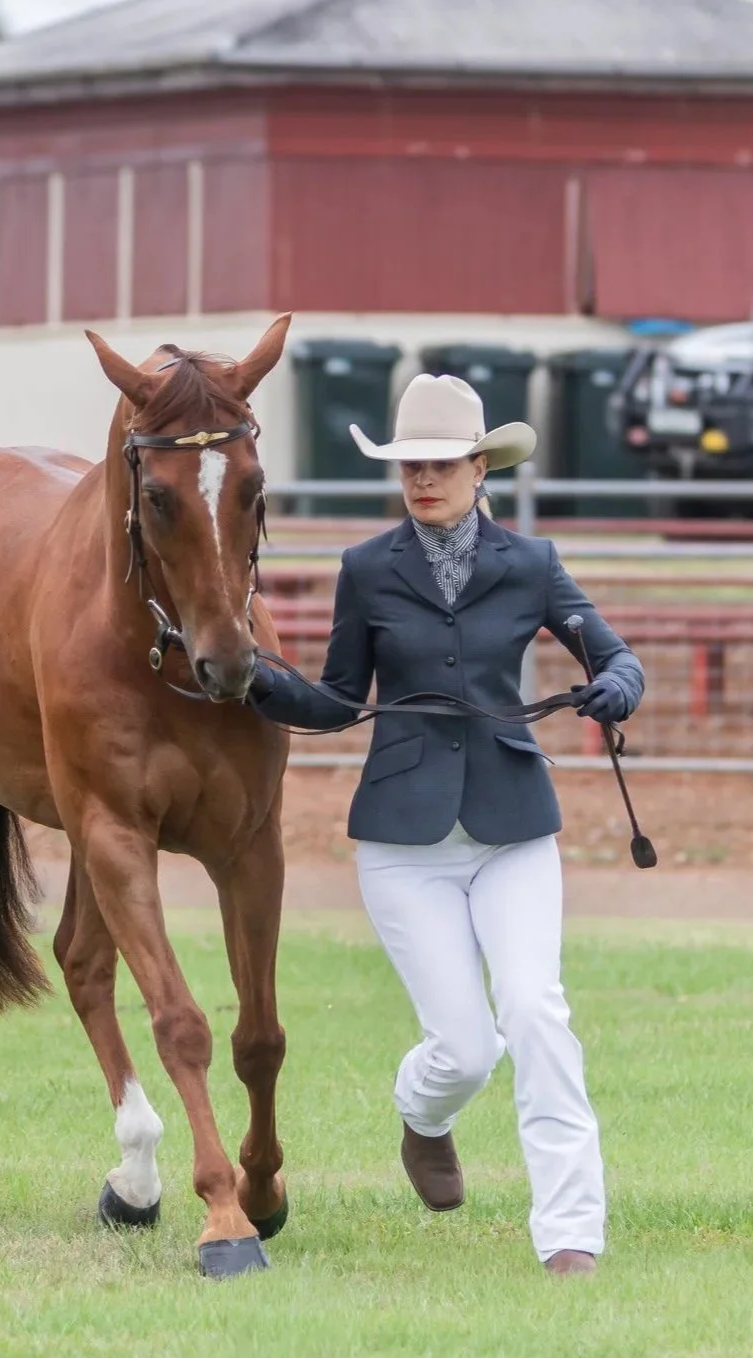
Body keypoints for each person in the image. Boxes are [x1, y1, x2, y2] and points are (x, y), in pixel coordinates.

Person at [249, 373, 644, 1275]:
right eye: (407, 465)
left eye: (437, 464)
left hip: (513, 831)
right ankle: (422, 1116)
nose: (420, 480)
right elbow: (339, 699)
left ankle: (570, 1233)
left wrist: (616, 684)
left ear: (477, 466)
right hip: (402, 843)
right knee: (464, 1047)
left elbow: (612, 653)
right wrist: (260, 683)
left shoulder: (532, 564)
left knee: (536, 1013)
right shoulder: (366, 568)